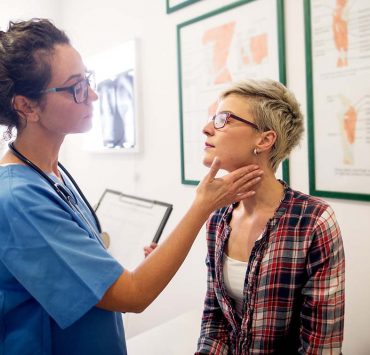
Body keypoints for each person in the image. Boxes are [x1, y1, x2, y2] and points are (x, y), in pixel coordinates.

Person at [0, 19, 263, 355]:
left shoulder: (51, 172)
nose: (93, 95)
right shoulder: (18, 199)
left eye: (89, 80)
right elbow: (133, 295)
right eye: (76, 87)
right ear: (26, 106)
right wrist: (202, 206)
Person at [195, 79, 345, 354]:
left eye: (222, 119)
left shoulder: (314, 221)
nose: (206, 128)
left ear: (264, 139)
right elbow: (214, 317)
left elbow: (320, 345)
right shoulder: (217, 216)